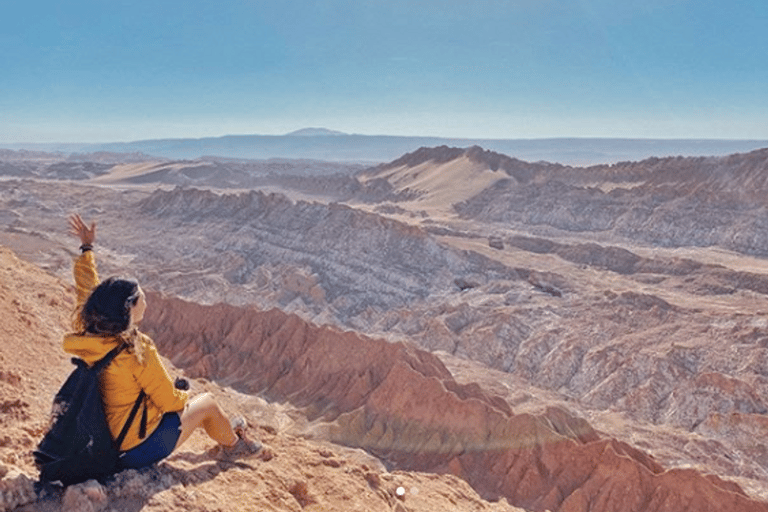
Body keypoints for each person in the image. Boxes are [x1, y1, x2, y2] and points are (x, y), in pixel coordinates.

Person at [64, 214, 261, 470]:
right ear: (130, 307)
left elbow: (87, 289)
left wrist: (87, 248)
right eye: (141, 296)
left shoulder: (89, 329)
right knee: (207, 403)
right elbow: (170, 402)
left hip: (99, 442)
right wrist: (185, 393)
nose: (146, 300)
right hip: (132, 450)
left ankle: (229, 435)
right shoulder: (136, 349)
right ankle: (235, 447)